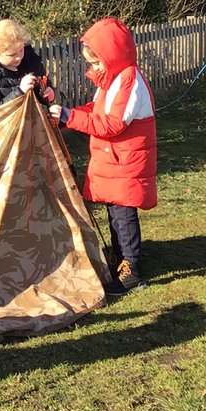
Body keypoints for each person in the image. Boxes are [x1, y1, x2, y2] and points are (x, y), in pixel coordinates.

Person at [50, 18, 157, 293]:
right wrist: (67, 116)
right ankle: (120, 259)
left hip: (125, 160)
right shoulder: (112, 80)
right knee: (114, 212)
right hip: (114, 160)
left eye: (96, 62)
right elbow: (97, 112)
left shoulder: (129, 81)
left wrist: (69, 117)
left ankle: (132, 268)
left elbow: (113, 124)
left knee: (123, 213)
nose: (93, 68)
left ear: (112, 56)